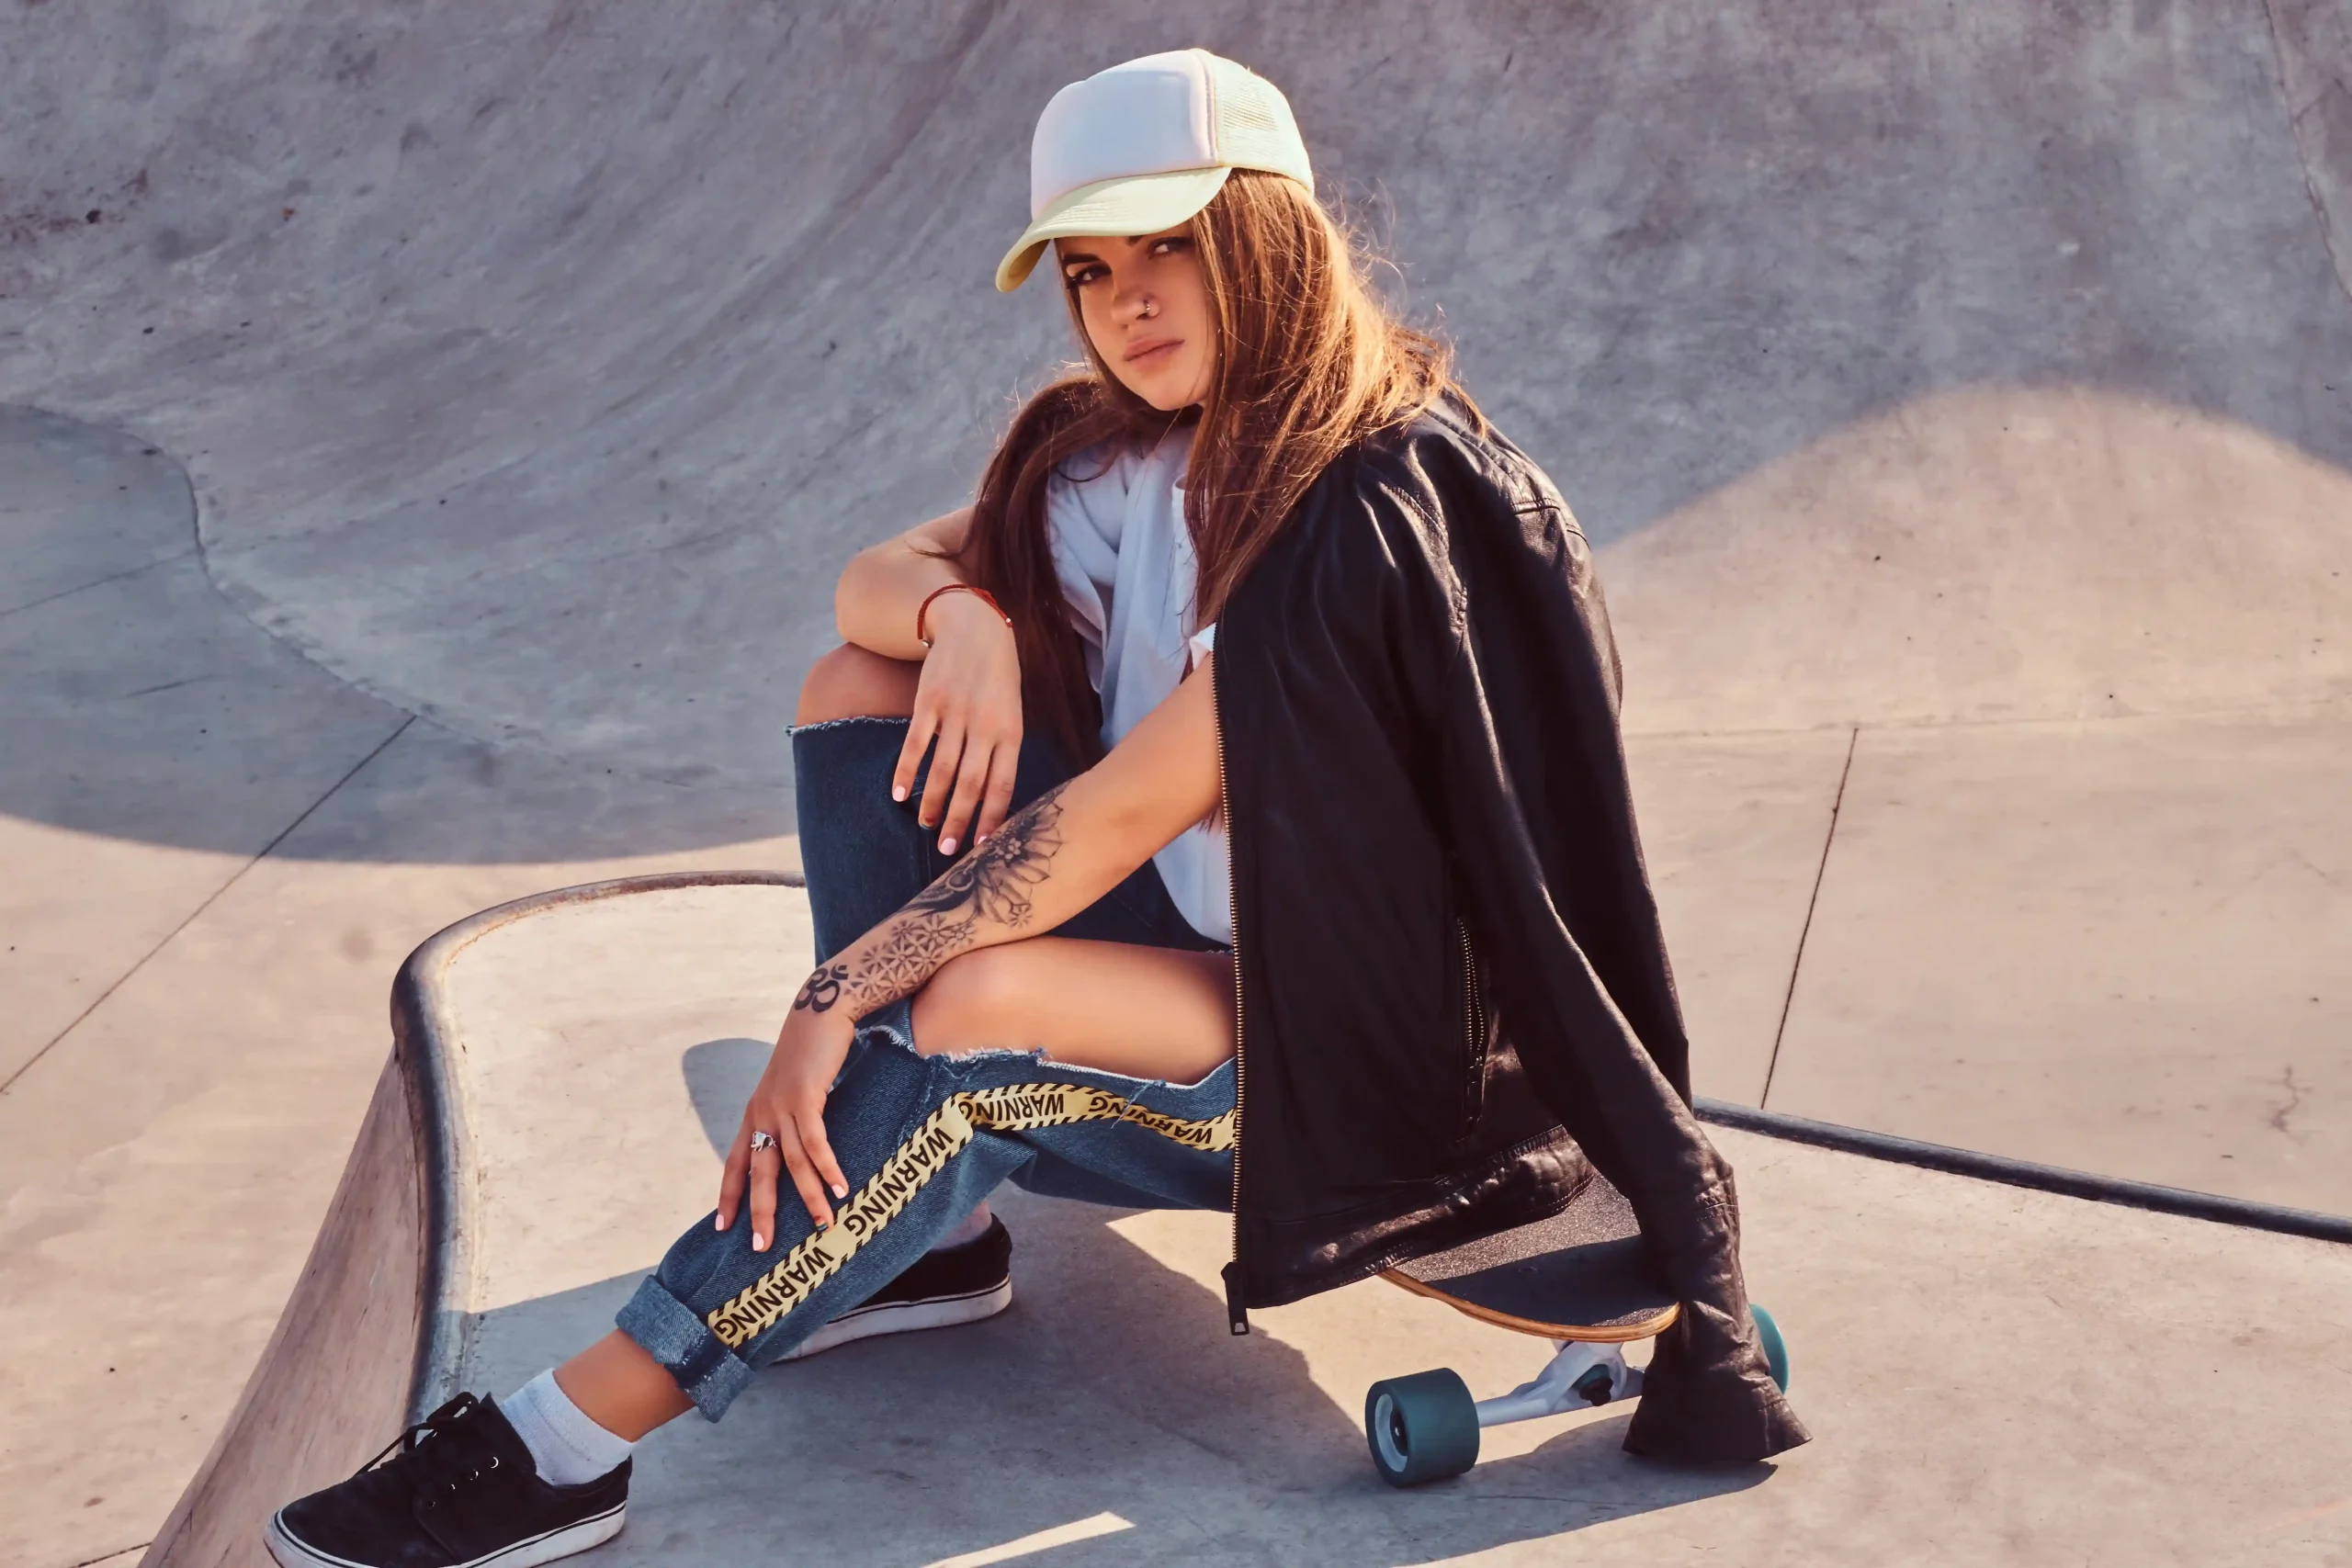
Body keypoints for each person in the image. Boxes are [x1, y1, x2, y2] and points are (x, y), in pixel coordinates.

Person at [265, 48, 1806, 1568]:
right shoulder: (1133, 452)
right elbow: (872, 584)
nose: (1127, 301)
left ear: (1266, 238)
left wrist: (840, 991)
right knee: (858, 688)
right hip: (1211, 950)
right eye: (1088, 267)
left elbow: (1127, 811)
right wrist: (969, 627)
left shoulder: (1367, 507)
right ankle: (924, 1241)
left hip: (1358, 1057)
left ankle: (565, 1436)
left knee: (973, 1002)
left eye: (1170, 251)